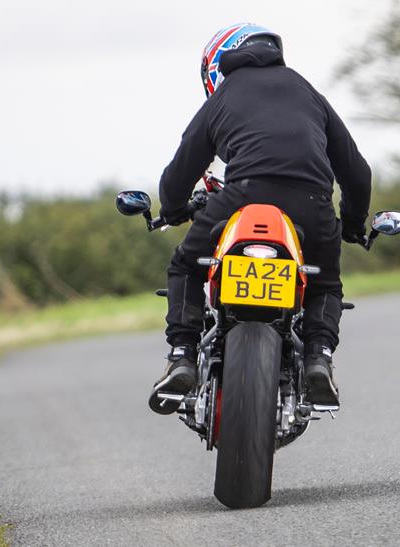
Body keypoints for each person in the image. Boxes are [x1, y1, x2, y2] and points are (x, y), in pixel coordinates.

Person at [149, 23, 371, 414]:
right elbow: (356, 171)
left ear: (216, 65)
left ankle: (182, 354)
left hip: (242, 196)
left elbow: (182, 166)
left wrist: (171, 208)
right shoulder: (307, 92)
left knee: (186, 265)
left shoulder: (225, 96)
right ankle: (318, 356)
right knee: (324, 283)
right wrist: (352, 224)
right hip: (312, 202)